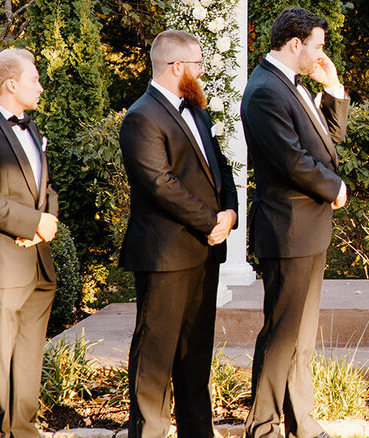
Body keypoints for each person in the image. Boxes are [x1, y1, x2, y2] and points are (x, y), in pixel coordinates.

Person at [119, 30, 239, 438]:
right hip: (165, 256)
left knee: (195, 354)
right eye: (198, 65)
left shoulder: (197, 112)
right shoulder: (141, 116)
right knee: (155, 353)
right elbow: (161, 185)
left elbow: (219, 166)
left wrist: (231, 213)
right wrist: (212, 222)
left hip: (204, 252)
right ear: (177, 68)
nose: (202, 72)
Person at [243, 7, 349, 438]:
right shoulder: (266, 90)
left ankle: (300, 423)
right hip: (287, 228)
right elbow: (292, 159)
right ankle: (263, 426)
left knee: (301, 339)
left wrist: (334, 87)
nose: (322, 52)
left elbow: (330, 137)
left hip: (307, 227)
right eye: (318, 46)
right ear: (294, 45)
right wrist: (333, 187)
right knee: (282, 335)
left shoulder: (294, 85)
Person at [0, 49, 58, 438]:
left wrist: (47, 221)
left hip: (39, 263)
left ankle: (24, 430)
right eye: (34, 79)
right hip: (4, 262)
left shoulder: (31, 127)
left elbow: (45, 186)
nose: (41, 86)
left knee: (29, 357)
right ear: (11, 83)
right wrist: (31, 223)